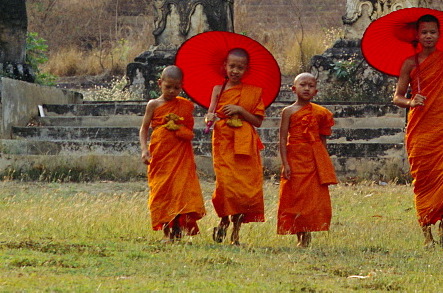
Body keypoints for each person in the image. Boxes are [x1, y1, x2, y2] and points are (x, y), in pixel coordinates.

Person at [392, 14, 443, 248]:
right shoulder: (410, 63)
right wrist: (411, 101)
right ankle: (427, 234)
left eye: (432, 32)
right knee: (426, 182)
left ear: (439, 35)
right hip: (422, 131)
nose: (428, 36)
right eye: (424, 32)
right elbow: (397, 97)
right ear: (417, 36)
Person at [203, 48, 266, 245]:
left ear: (246, 69)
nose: (235, 71)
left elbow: (257, 121)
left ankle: (236, 234)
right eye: (232, 66)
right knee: (225, 187)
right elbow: (209, 114)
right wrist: (209, 117)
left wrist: (240, 110)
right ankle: (223, 221)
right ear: (225, 66)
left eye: (240, 67)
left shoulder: (252, 92)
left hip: (244, 146)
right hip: (223, 143)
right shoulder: (217, 89)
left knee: (242, 190)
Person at [138, 65, 206, 242]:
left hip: (180, 155)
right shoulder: (153, 104)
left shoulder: (185, 106)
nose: (172, 91)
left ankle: (177, 230)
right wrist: (144, 150)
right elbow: (144, 129)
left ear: (182, 86)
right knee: (163, 192)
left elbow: (190, 133)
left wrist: (178, 129)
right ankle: (167, 233)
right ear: (160, 83)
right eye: (168, 86)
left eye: (176, 88)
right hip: (160, 156)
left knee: (179, 192)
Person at [277, 72, 337, 247]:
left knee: (311, 198)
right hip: (294, 158)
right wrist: (285, 163)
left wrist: (322, 162)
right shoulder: (287, 112)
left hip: (313, 159)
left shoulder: (321, 112)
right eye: (303, 85)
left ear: (316, 91)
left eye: (311, 86)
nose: (307, 88)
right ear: (294, 89)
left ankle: (308, 233)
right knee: (295, 196)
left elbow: (323, 138)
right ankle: (298, 234)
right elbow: (282, 138)